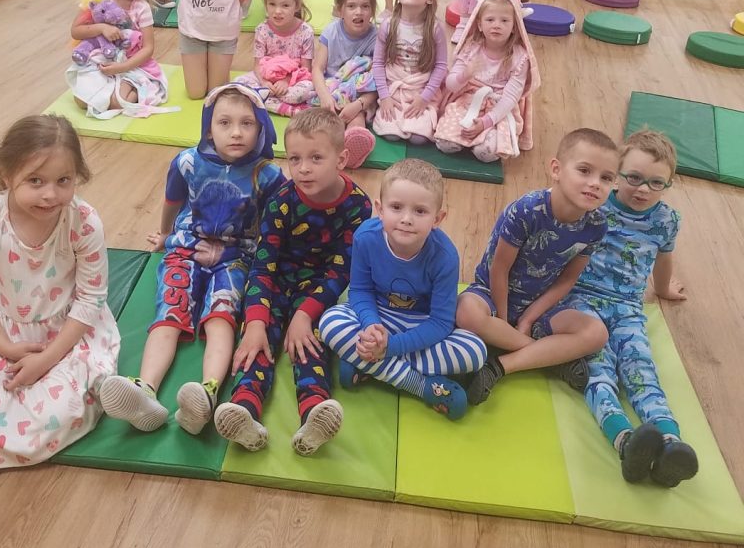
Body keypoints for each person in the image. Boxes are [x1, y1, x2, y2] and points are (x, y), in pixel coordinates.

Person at [99, 82, 286, 435]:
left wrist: (236, 253)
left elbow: (273, 227)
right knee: (170, 313)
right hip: (186, 248)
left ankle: (207, 392)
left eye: (247, 123)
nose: (236, 132)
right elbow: (172, 200)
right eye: (225, 123)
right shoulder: (187, 162)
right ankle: (145, 391)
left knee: (221, 317)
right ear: (209, 128)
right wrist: (165, 234)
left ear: (261, 128)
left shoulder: (268, 175)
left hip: (236, 257)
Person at [215, 109, 372, 454]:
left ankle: (315, 412)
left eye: (316, 158)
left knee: (310, 345)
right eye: (295, 158)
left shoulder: (358, 205)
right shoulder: (281, 202)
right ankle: (244, 409)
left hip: (319, 288)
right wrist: (256, 322)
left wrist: (305, 314)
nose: (303, 168)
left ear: (341, 159)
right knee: (255, 345)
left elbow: (342, 270)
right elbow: (263, 265)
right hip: (275, 282)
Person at [0, 116, 120, 469]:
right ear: (6, 175)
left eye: (63, 180)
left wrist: (48, 358)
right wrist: (5, 347)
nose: (50, 194)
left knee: (60, 410)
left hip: (67, 331)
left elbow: (90, 298)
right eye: (35, 180)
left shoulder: (83, 221)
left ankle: (105, 389)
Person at [562, 130, 698, 487]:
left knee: (641, 371)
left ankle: (670, 445)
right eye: (634, 178)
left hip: (628, 309)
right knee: (599, 370)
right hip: (582, 300)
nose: (643, 190)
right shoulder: (595, 205)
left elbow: (664, 258)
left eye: (656, 183)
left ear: (668, 184)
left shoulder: (666, 220)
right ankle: (625, 441)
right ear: (617, 174)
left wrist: (663, 289)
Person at [457, 128, 618, 404]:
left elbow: (567, 280)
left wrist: (528, 319)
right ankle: (550, 358)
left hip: (540, 305)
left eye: (606, 178)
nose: (595, 183)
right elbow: (499, 270)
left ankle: (501, 365)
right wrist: (503, 322)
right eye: (584, 171)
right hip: (492, 294)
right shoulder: (526, 210)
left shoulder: (596, 225)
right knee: (466, 312)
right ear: (556, 169)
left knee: (597, 333)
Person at [319, 159, 487, 421]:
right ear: (380, 209)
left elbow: (441, 322)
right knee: (330, 322)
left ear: (437, 218)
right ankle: (422, 387)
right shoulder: (365, 237)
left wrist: (390, 348)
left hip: (421, 326)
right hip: (379, 317)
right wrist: (371, 325)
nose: (406, 219)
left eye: (420, 211)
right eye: (396, 207)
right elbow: (360, 292)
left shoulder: (445, 257)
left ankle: (367, 365)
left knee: (475, 351)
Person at [435, 0, 540, 163]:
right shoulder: (471, 48)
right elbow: (451, 85)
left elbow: (510, 98)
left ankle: (480, 141)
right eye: (490, 20)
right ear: (479, 24)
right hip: (467, 101)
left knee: (487, 152)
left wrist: (485, 122)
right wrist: (465, 74)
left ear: (515, 26)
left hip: (498, 108)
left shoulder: (520, 58)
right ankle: (463, 139)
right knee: (445, 144)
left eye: (504, 20)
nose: (496, 25)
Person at [66, 0, 170, 118]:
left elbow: (148, 48)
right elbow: (76, 31)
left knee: (118, 101)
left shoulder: (141, 7)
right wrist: (101, 28)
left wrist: (122, 67)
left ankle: (136, 90)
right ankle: (116, 91)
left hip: (130, 64)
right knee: (81, 101)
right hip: (99, 61)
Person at [372, 0, 447, 145]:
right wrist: (385, 97)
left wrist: (424, 98)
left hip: (421, 89)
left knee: (418, 138)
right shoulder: (388, 25)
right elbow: (378, 63)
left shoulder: (435, 29)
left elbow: (441, 66)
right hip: (394, 89)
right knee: (390, 134)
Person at [312, 0, 378, 169]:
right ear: (340, 10)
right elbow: (317, 69)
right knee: (324, 118)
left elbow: (378, 81)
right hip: (332, 89)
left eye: (365, 6)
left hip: (359, 94)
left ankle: (354, 145)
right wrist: (325, 96)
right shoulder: (331, 32)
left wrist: (358, 105)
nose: (359, 12)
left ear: (372, 10)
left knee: (356, 119)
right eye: (351, 6)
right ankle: (326, 146)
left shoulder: (377, 38)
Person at [237, 0, 316, 117]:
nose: (277, 11)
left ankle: (264, 102)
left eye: (285, 5)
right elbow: (257, 65)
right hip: (266, 78)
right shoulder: (262, 30)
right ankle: (284, 107)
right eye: (272, 4)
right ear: (266, 4)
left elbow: (306, 69)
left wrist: (286, 81)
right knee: (239, 84)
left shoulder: (306, 32)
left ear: (297, 6)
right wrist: (264, 82)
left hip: (294, 80)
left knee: (305, 90)